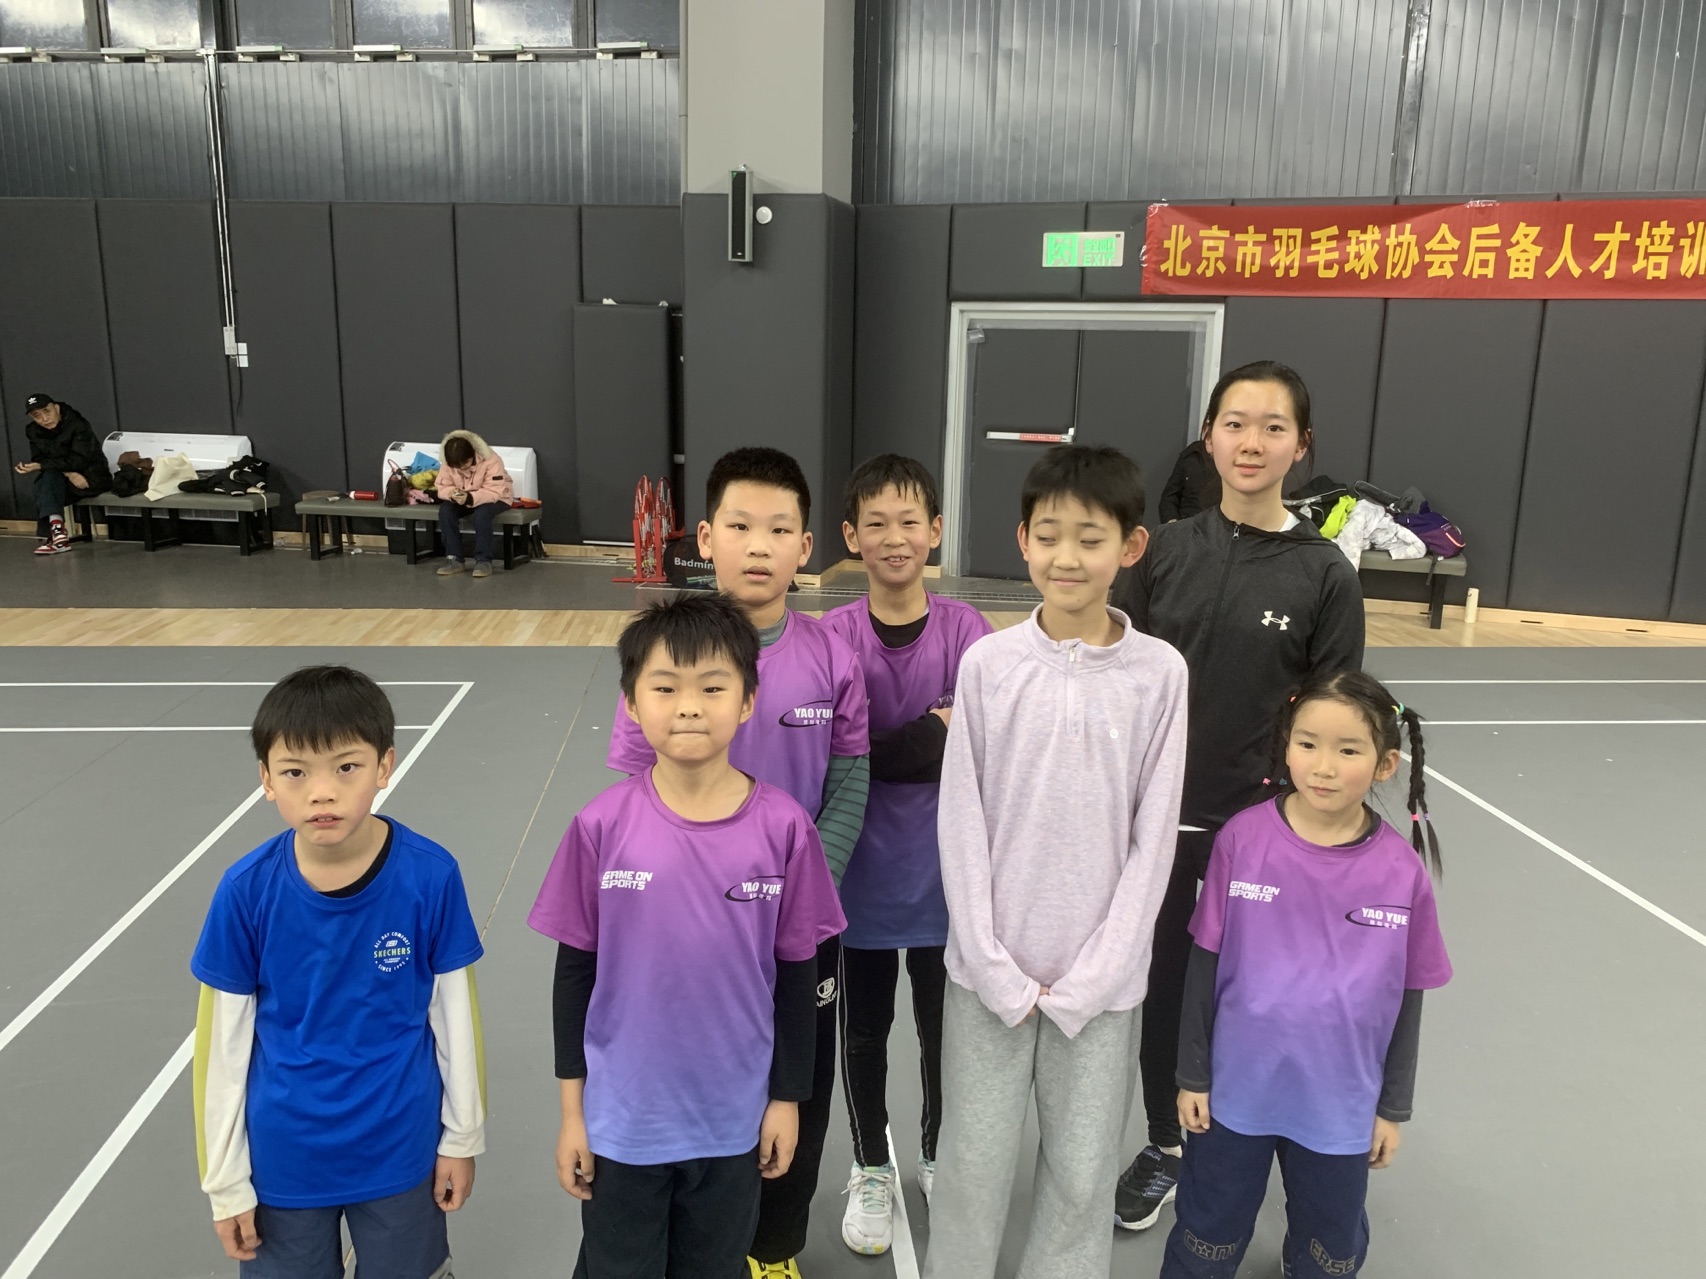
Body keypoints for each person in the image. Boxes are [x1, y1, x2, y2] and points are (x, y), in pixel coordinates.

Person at [1111, 360, 1365, 1233]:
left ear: (1302, 445)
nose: (1251, 442)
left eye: (1272, 426)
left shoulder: (1325, 573)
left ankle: (1258, 1144)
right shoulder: (1164, 551)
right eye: (1235, 423)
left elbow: (1333, 715)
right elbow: (1122, 675)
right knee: (1163, 994)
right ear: (1209, 437)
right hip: (1156, 825)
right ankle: (1166, 1142)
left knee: (1260, 999)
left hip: (1262, 833)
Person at [604, 446, 869, 1279]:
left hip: (797, 921)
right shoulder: (665, 653)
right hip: (685, 924)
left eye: (781, 529)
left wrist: (796, 896)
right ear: (706, 538)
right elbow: (631, 794)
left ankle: (774, 1249)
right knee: (691, 1073)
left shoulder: (833, 656)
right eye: (742, 526)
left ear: (807, 546)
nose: (760, 545)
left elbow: (849, 781)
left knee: (799, 1084)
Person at [924, 444, 1187, 1279]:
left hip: (1102, 990)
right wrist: (989, 961)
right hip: (987, 981)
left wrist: (1101, 973)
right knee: (971, 1167)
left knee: (1080, 1177)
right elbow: (961, 821)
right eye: (1049, 535)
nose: (1067, 556)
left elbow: (1155, 837)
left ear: (1131, 547)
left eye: (1091, 538)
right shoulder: (987, 666)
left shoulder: (1161, 676)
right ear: (1023, 541)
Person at [531, 595, 848, 1279]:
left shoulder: (787, 829)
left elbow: (799, 978)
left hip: (732, 1123)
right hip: (623, 1123)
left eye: (712, 687)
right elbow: (573, 978)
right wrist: (572, 1112)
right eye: (665, 687)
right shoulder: (600, 827)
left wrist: (786, 1099)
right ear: (631, 704)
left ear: (747, 700)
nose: (689, 707)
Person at [189, 666, 487, 1278]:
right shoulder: (245, 892)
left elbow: (456, 1019)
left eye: (346, 767)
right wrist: (226, 1184)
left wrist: (462, 1137)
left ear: (385, 766)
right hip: (284, 1160)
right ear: (266, 780)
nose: (321, 793)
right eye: (295, 772)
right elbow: (221, 1050)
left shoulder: (431, 876)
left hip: (399, 1148)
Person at [1160, 670, 1451, 1277]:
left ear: (1385, 763)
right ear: (1286, 746)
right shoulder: (1241, 840)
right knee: (1208, 1231)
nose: (1323, 766)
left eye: (1348, 751)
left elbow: (1408, 998)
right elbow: (1203, 966)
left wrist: (1392, 1107)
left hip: (1340, 1104)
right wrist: (1192, 1075)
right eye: (1308, 743)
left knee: (1329, 1242)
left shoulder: (1401, 871)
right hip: (1234, 1092)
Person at [820, 455, 992, 1255]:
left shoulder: (968, 632)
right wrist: (933, 730)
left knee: (942, 1036)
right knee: (862, 1034)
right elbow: (846, 756)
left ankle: (936, 1154)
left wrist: (898, 745)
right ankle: (869, 1166)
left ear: (936, 529)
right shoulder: (832, 638)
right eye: (876, 523)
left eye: (909, 521)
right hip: (856, 878)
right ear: (851, 535)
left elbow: (983, 746)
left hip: (947, 881)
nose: (895, 537)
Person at [14, 393, 110, 555]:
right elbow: (40, 459)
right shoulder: (33, 431)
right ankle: (58, 534)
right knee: (47, 480)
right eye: (37, 416)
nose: (44, 419)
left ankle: (54, 535)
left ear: (56, 408)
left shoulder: (77, 424)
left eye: (47, 411)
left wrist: (45, 466)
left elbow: (81, 460)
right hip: (64, 479)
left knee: (44, 485)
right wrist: (69, 473)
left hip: (91, 477)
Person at [434, 430, 514, 579]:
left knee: (482, 515)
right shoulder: (449, 463)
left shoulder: (492, 460)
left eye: (465, 464)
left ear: (472, 455)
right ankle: (454, 558)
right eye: (457, 466)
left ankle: (484, 561)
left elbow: (494, 491)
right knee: (446, 511)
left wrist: (470, 498)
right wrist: (452, 493)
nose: (462, 468)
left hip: (498, 497)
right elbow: (442, 486)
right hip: (464, 497)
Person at [1157, 439, 1220, 522]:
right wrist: (1171, 521)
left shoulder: (1231, 463)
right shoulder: (1191, 456)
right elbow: (1169, 496)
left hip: (1218, 524)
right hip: (1187, 522)